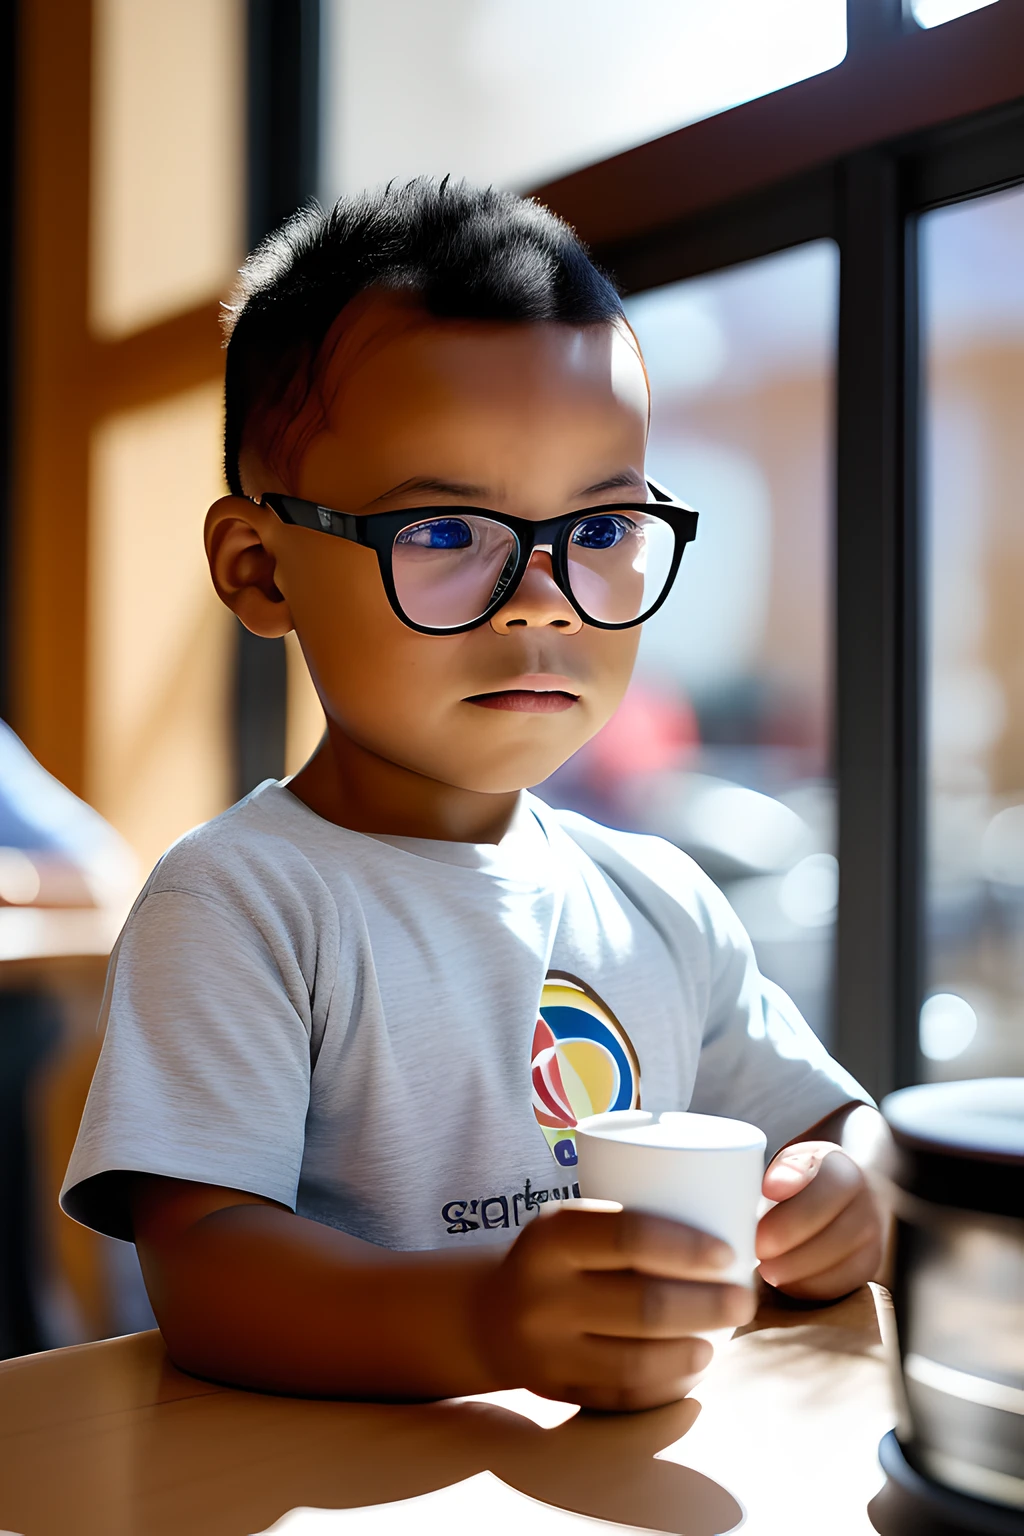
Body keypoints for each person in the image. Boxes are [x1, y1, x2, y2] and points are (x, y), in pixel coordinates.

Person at [61, 179, 888, 1411]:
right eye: (446, 533)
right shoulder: (238, 901)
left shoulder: (657, 895)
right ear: (258, 568)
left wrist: (844, 1195)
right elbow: (204, 1273)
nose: (542, 596)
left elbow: (830, 1124)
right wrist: (484, 1323)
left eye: (601, 530)